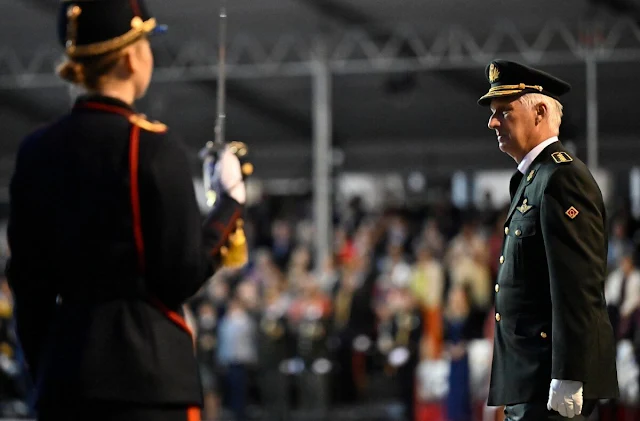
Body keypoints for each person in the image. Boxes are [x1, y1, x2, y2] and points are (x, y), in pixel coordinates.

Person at [5, 1, 251, 420]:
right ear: (130, 57)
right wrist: (229, 204)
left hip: (64, 380)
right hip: (149, 382)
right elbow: (181, 274)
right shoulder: (153, 147)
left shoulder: (35, 151)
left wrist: (48, 367)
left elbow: (27, 284)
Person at [477, 59, 619, 420]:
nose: (493, 122)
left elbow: (577, 283)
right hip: (529, 377)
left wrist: (569, 373)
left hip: (549, 380)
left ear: (539, 111)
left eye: (504, 112)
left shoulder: (561, 178)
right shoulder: (531, 180)